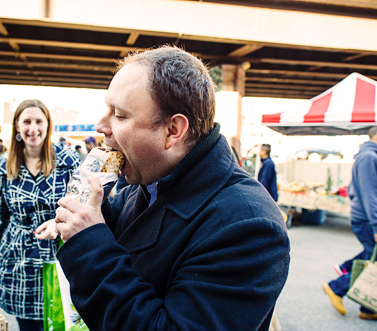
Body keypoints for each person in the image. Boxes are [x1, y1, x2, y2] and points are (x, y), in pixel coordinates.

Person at [34, 45, 289, 329]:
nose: (100, 125)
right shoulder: (145, 184)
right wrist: (87, 213)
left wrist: (89, 243)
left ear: (173, 131)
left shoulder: (248, 226)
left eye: (119, 115)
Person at [0, 99, 79, 331]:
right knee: (28, 325)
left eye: (39, 121)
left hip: (59, 255)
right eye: (26, 122)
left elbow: (83, 208)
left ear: (48, 125)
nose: (33, 128)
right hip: (18, 257)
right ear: (17, 126)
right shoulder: (3, 167)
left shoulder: (67, 161)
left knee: (63, 321)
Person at [323, 126, 377, 321]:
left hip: (365, 217)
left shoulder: (368, 156)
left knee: (371, 256)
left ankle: (368, 307)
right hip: (366, 218)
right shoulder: (369, 157)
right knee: (372, 259)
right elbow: (370, 194)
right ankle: (336, 286)